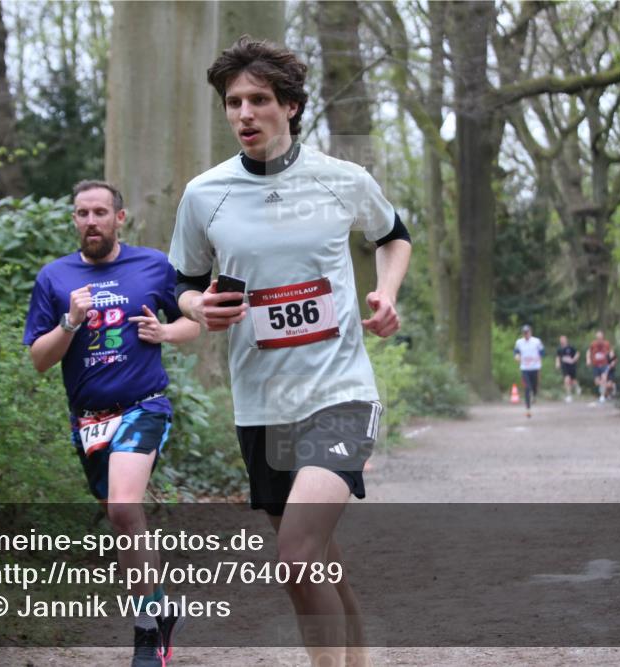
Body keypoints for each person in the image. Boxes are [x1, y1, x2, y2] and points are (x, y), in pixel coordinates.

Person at [168, 36, 412, 667]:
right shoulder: (206, 194)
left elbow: (393, 235)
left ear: (293, 107)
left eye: (260, 100)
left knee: (298, 556)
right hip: (261, 404)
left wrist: (384, 293)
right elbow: (183, 282)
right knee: (318, 564)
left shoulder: (341, 179)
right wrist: (198, 308)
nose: (244, 114)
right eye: (233, 102)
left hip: (339, 395)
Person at [23, 180, 200, 667]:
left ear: (120, 218)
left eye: (101, 212)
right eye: (82, 213)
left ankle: (146, 634)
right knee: (125, 524)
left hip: (143, 405)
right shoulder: (54, 278)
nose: (91, 221)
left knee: (124, 508)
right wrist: (70, 322)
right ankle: (159, 612)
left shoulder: (152, 265)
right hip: (89, 419)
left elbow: (194, 320)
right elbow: (40, 359)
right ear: (75, 220)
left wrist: (166, 330)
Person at [513, 325, 545, 417]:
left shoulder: (536, 341)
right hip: (525, 368)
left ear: (530, 332)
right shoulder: (519, 342)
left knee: (534, 386)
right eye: (524, 332)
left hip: (535, 367)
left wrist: (539, 357)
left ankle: (534, 395)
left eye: (527, 332)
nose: (526, 334)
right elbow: (516, 352)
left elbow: (542, 351)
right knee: (527, 387)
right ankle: (528, 409)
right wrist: (516, 356)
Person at [586, 329, 614, 403]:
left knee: (604, 379)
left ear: (603, 337)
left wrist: (611, 359)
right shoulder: (593, 344)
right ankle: (609, 391)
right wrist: (588, 359)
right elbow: (589, 351)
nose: (599, 339)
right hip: (596, 365)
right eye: (598, 338)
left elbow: (611, 351)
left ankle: (602, 396)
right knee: (597, 382)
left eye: (600, 338)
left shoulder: (606, 343)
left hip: (604, 365)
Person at [555, 335, 581, 402]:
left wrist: (574, 359)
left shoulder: (571, 347)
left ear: (566, 340)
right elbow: (558, 357)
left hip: (572, 366)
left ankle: (577, 387)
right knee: (566, 380)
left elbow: (577, 353)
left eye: (563, 339)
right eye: (561, 339)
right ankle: (569, 396)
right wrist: (557, 363)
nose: (562, 341)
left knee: (573, 381)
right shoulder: (559, 349)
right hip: (564, 367)